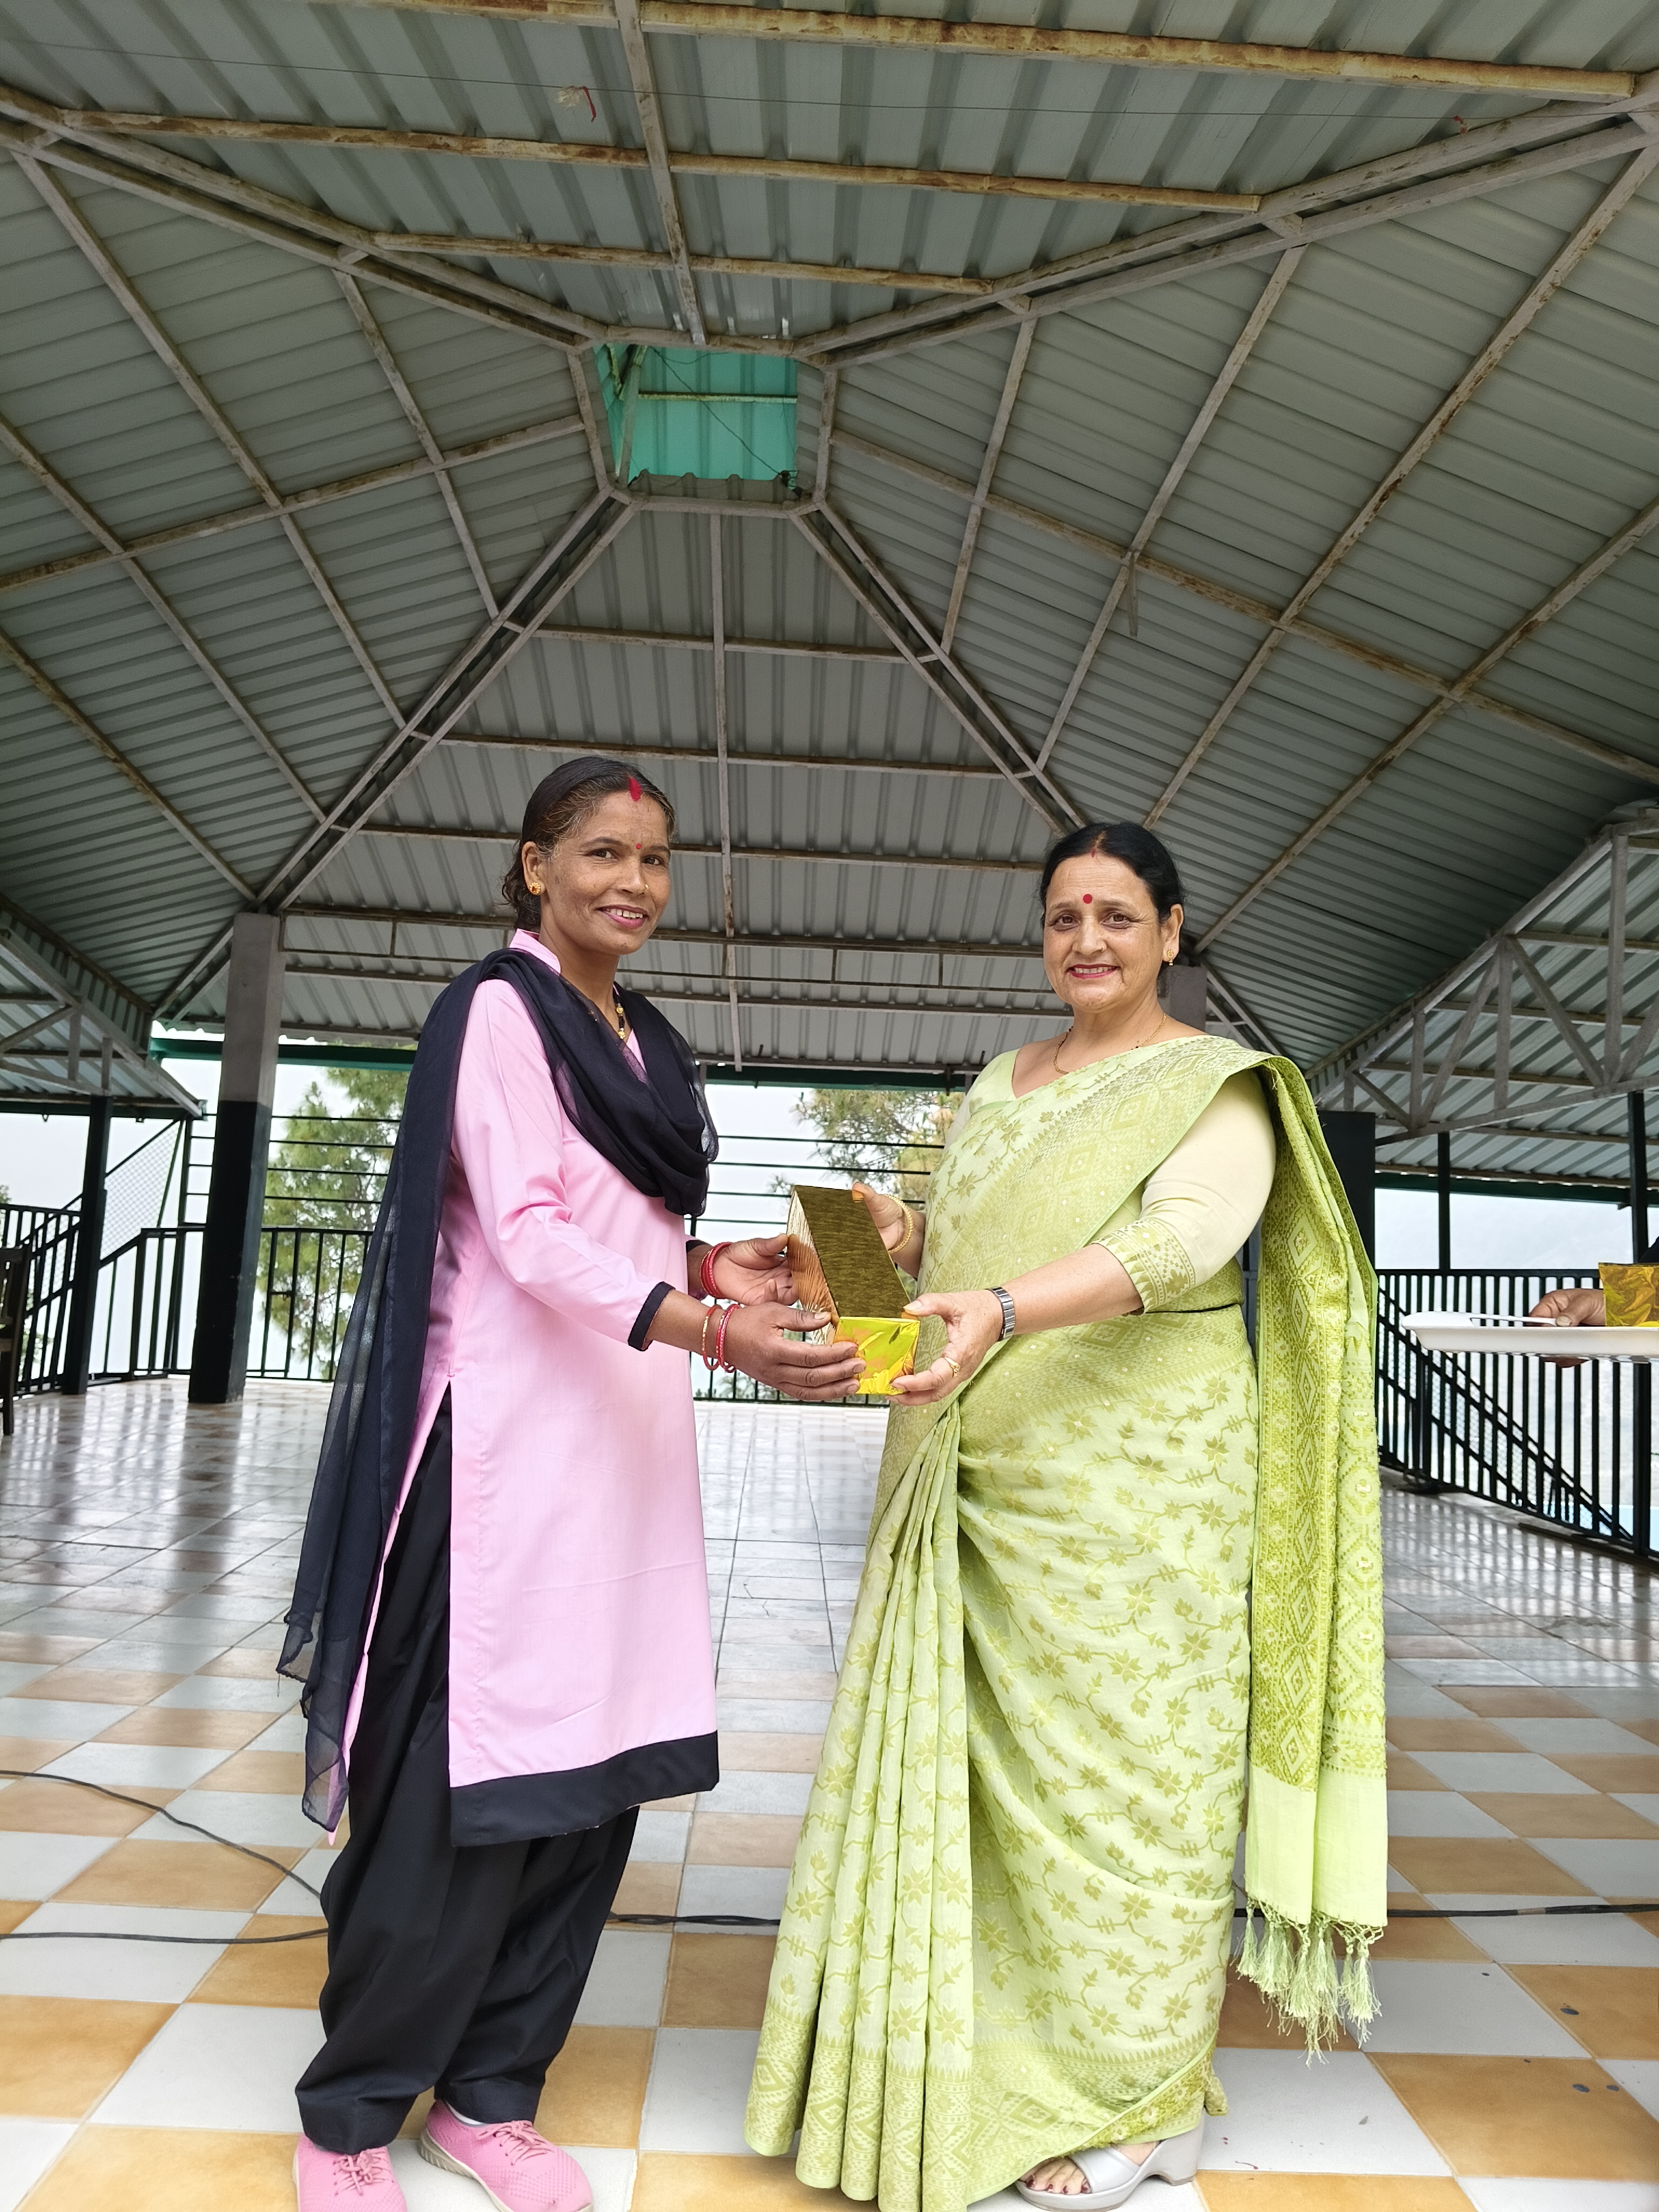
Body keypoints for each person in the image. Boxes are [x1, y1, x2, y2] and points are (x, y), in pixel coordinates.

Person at [746, 823, 1387, 2212]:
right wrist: (894, 1239)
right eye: (1062, 917)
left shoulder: (1215, 1084)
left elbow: (1179, 1241)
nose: (1085, 939)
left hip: (1136, 1491)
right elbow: (974, 1240)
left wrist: (999, 1306)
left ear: (1171, 931)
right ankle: (981, 2064)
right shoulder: (1000, 1080)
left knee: (1130, 1787)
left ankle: (1147, 2101)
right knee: (982, 1793)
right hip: (977, 1470)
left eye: (1115, 915)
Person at [281, 757, 861, 2212]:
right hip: (502, 1454)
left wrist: (719, 1266)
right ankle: (350, 2113)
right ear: (536, 865)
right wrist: (717, 1328)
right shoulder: (500, 1010)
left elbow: (623, 1231)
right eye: (602, 852)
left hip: (626, 1450)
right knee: (456, 1781)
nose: (633, 882)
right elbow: (531, 1234)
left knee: (590, 1781)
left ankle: (492, 2093)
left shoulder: (646, 1040)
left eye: (654, 860)